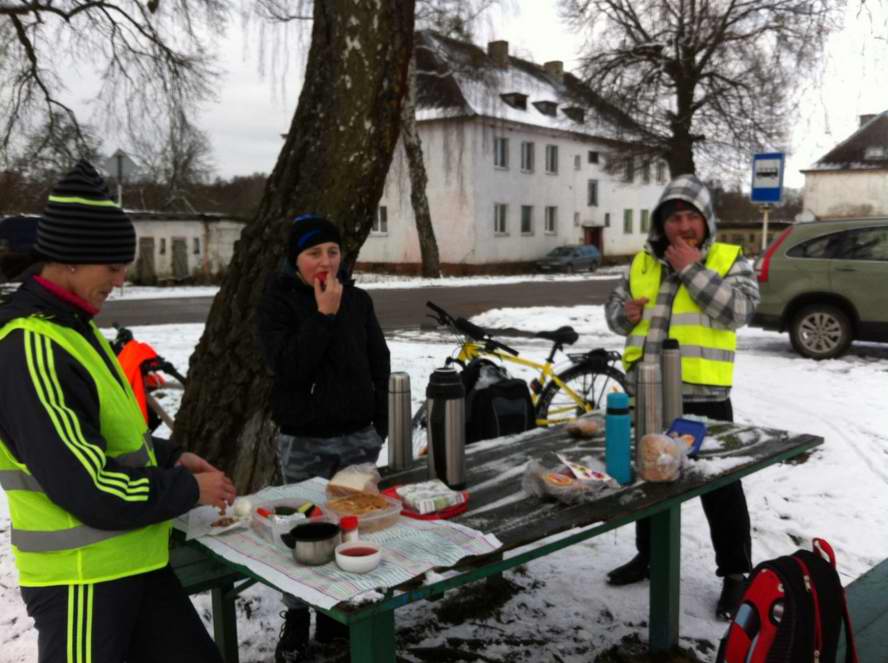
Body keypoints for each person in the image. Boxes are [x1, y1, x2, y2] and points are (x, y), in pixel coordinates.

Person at [0, 161, 237, 662]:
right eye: (111, 266)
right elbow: (85, 485)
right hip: (82, 581)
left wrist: (170, 457)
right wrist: (188, 489)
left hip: (130, 563)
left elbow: (102, 437)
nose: (122, 278)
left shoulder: (74, 330)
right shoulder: (31, 347)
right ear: (67, 261)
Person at [604, 173, 760, 620]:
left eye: (692, 216)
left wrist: (693, 268)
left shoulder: (729, 260)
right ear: (662, 223)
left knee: (720, 487)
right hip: (648, 394)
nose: (683, 225)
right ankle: (648, 555)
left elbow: (740, 310)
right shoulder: (642, 263)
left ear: (706, 221)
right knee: (650, 480)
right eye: (674, 217)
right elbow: (615, 312)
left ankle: (735, 575)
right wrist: (623, 313)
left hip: (703, 397)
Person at [256, 213, 391, 662]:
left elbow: (379, 363)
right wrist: (323, 316)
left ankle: (336, 621)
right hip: (305, 439)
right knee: (302, 532)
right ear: (296, 259)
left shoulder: (359, 300)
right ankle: (297, 617)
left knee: (352, 527)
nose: (326, 261)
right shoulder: (278, 301)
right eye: (314, 253)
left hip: (357, 438)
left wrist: (380, 424)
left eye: (333, 252)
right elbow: (288, 367)